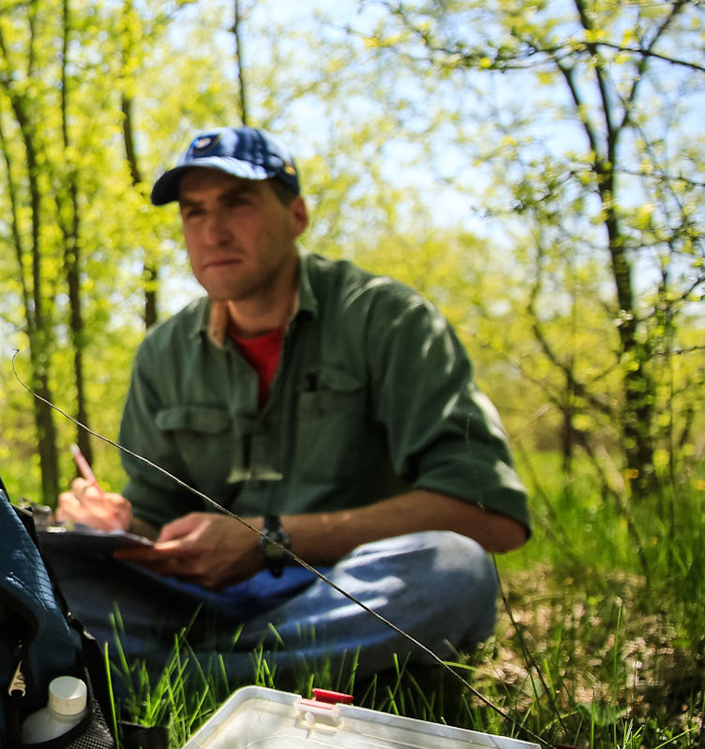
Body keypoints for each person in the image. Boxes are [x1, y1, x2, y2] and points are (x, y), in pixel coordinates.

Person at [47, 127, 530, 694]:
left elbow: (489, 513)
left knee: (454, 568)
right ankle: (276, 676)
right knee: (43, 569)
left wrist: (267, 539)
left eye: (237, 203)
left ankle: (179, 686)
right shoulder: (164, 352)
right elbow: (157, 510)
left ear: (296, 216)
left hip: (343, 590)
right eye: (193, 212)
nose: (212, 230)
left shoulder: (389, 320)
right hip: (206, 603)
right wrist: (116, 525)